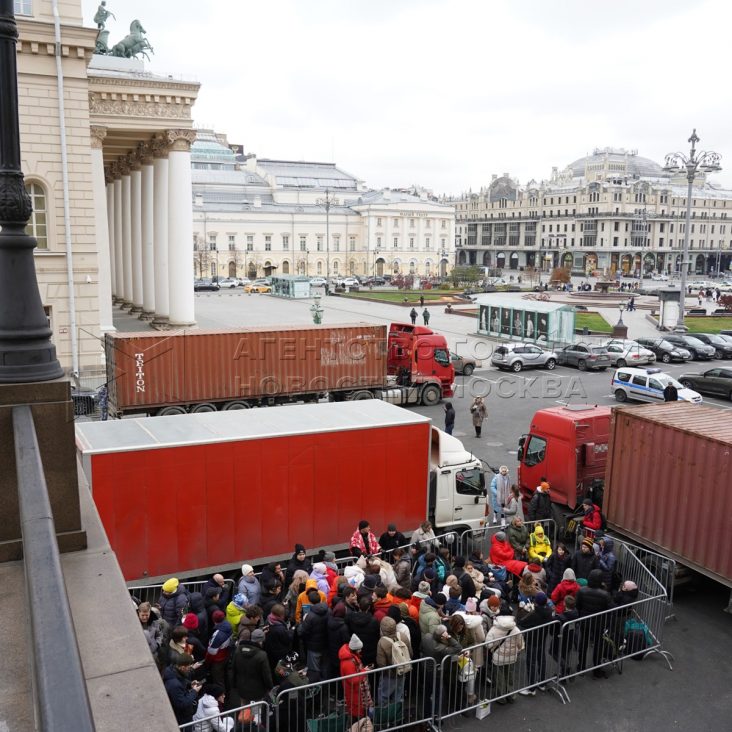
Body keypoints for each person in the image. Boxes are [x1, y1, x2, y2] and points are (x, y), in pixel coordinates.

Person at [575, 568, 613, 677]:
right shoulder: (605, 594)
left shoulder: (582, 591)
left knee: (584, 643)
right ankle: (597, 669)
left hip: (584, 621)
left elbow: (578, 605)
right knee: (598, 645)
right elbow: (611, 609)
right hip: (599, 623)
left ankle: (581, 666)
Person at [518, 592, 554, 694]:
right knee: (541, 660)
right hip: (542, 639)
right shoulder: (549, 611)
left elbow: (521, 622)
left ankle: (531, 688)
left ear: (536, 602)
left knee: (531, 663)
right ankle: (542, 683)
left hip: (532, 640)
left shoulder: (534, 614)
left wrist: (523, 610)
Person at [486, 610, 524, 704]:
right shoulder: (515, 629)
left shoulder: (494, 629)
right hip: (511, 657)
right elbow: (520, 644)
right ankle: (510, 695)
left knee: (499, 677)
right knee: (509, 675)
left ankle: (501, 697)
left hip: (498, 657)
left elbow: (488, 644)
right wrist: (517, 651)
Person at [229, 628, 273, 706]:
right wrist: (270, 687)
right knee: (256, 712)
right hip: (257, 691)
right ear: (261, 641)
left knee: (244, 711)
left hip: (241, 688)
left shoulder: (238, 651)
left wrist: (233, 685)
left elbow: (233, 669)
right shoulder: (262, 655)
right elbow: (266, 675)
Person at [376, 616, 411, 704]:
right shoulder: (403, 636)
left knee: (384, 696)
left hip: (389, 675)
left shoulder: (382, 642)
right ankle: (397, 714)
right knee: (398, 696)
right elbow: (410, 653)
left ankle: (384, 715)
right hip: (402, 671)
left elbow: (381, 664)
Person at [339, 634, 373, 722]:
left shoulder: (351, 657)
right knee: (356, 713)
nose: (360, 651)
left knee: (357, 712)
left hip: (357, 691)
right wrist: (364, 671)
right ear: (354, 649)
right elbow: (353, 680)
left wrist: (363, 670)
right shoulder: (348, 662)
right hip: (354, 691)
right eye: (359, 649)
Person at [298, 589, 330, 682]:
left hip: (313, 647)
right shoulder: (329, 610)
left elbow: (301, 632)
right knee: (325, 668)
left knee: (314, 671)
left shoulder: (310, 616)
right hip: (326, 644)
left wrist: (303, 621)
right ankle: (325, 687)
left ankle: (316, 690)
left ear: (310, 601)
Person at [163, 653, 201, 725]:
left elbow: (182, 680)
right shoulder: (174, 685)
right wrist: (194, 692)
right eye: (189, 667)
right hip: (182, 718)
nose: (190, 669)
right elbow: (182, 703)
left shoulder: (173, 671)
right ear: (183, 667)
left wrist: (190, 684)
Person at [264, 603, 293, 673]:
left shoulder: (268, 619)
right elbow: (287, 639)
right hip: (278, 653)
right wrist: (291, 631)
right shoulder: (280, 628)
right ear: (281, 615)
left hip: (269, 650)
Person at [137, 601, 167, 667]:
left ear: (150, 613)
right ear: (138, 613)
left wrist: (157, 644)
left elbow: (159, 634)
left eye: (146, 615)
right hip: (139, 654)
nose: (144, 617)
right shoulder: (134, 622)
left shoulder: (155, 622)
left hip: (153, 653)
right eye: (142, 615)